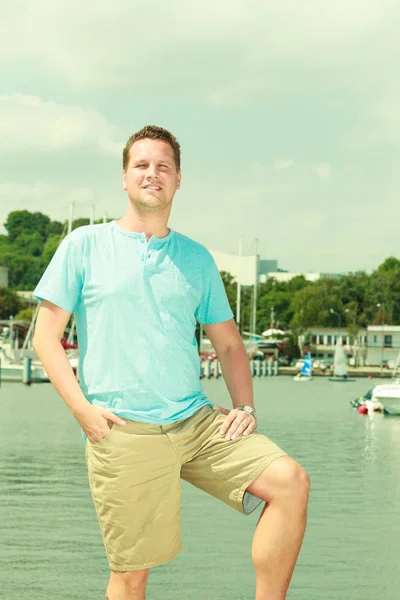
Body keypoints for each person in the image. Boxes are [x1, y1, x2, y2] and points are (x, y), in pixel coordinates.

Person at [33, 125, 310, 600]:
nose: (152, 174)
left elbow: (228, 346)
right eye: (141, 165)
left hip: (197, 422)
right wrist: (82, 410)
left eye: (163, 166)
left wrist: (244, 407)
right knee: (132, 575)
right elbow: (44, 338)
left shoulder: (196, 259)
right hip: (123, 429)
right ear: (124, 177)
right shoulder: (84, 245)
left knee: (290, 482)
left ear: (178, 179)